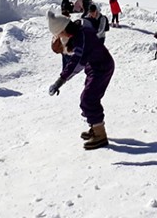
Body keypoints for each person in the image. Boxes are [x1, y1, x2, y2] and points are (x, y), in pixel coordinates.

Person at [46, 11, 115, 150]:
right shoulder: (77, 32)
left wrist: (60, 81)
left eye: (59, 34)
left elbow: (76, 63)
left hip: (102, 67)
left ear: (63, 30)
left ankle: (100, 136)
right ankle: (95, 127)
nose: (59, 37)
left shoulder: (81, 36)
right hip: (94, 66)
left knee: (88, 99)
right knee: (88, 97)